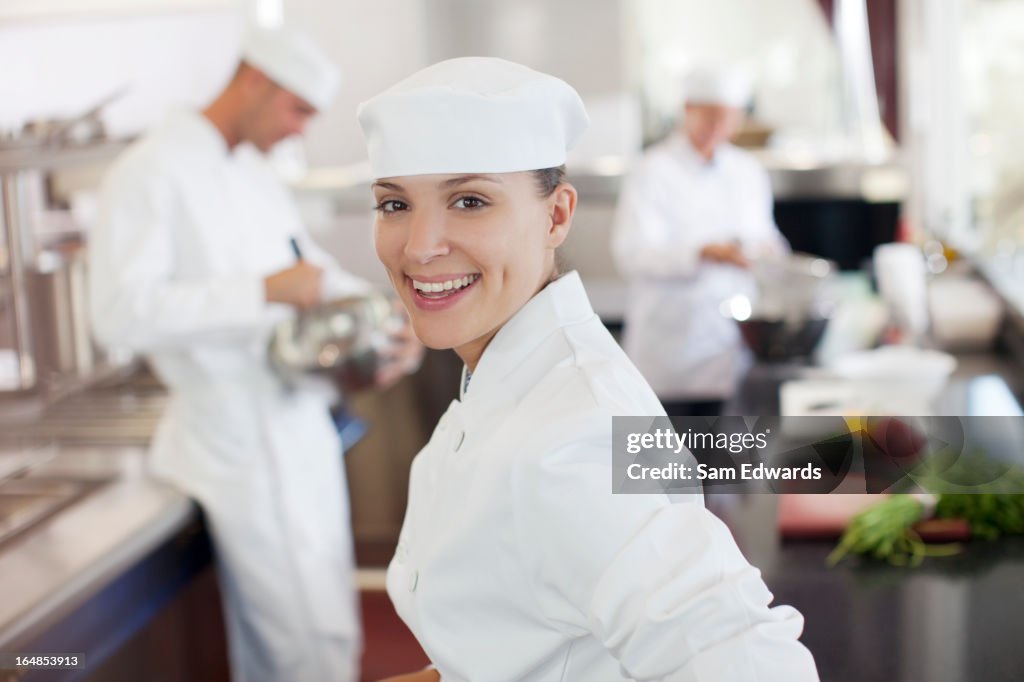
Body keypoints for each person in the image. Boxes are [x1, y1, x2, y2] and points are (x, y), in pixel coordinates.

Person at [357, 57, 818, 681]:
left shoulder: (575, 436)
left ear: (557, 216)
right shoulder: (502, 380)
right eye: (394, 204)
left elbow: (754, 666)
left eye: (469, 201)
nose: (419, 245)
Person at [89, 27, 421, 682]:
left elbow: (311, 272)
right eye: (296, 110)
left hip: (299, 427)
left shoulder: (253, 174)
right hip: (233, 442)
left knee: (326, 629)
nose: (299, 131)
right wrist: (258, 291)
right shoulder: (149, 170)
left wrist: (395, 321)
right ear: (254, 82)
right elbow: (118, 315)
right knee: (293, 647)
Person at [612, 64, 789, 416]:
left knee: (726, 463)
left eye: (727, 118)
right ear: (687, 112)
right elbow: (631, 255)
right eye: (709, 117)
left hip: (730, 349)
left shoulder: (747, 171)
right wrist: (703, 253)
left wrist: (769, 254)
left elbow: (767, 239)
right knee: (665, 464)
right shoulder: (652, 170)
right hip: (670, 349)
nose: (717, 128)